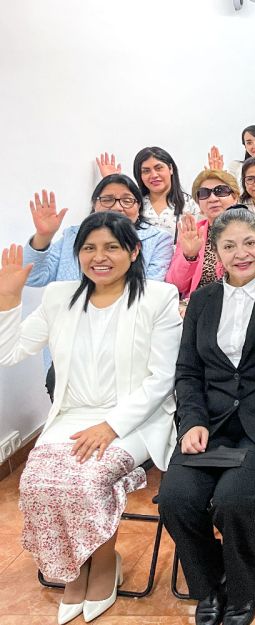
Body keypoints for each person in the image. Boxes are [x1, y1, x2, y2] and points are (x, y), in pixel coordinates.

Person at [0, 211, 181, 625]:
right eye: (88, 248)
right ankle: (76, 566)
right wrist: (7, 301)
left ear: (134, 252)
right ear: (78, 254)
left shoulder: (158, 297)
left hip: (134, 420)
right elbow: (8, 353)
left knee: (85, 480)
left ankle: (103, 565)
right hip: (71, 416)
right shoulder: (59, 296)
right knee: (38, 481)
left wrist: (111, 426)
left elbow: (162, 379)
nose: (99, 257)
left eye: (111, 247)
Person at [158, 208, 255, 625]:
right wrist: (191, 421)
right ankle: (208, 584)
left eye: (249, 242)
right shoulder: (204, 300)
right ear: (217, 252)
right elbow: (188, 371)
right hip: (213, 429)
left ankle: (244, 587)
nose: (241, 253)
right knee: (175, 499)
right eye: (229, 246)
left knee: (233, 499)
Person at [24, 175, 174, 286]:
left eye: (127, 200)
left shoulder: (157, 239)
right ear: (94, 204)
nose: (117, 207)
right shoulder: (73, 235)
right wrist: (43, 237)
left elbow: (150, 289)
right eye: (107, 199)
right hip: (68, 319)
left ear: (139, 206)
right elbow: (35, 278)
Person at [166, 169, 242, 300]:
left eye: (221, 191)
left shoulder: (249, 230)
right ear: (199, 205)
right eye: (204, 194)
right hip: (198, 307)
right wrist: (189, 256)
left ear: (235, 197)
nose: (212, 198)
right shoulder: (193, 233)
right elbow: (175, 285)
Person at [93, 147, 198, 238]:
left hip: (180, 260)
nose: (154, 175)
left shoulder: (189, 203)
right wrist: (112, 183)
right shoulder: (133, 203)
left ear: (170, 169)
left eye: (158, 168)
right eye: (146, 171)